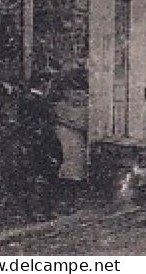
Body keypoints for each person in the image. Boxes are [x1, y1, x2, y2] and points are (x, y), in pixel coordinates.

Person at [17, 71, 63, 221]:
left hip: (27, 142)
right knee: (45, 177)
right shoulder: (39, 102)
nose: (50, 87)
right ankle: (44, 211)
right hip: (40, 143)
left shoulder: (24, 99)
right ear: (44, 83)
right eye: (49, 83)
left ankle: (31, 212)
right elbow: (45, 124)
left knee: (31, 178)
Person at [51, 67, 89, 215]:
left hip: (72, 141)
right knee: (68, 171)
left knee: (71, 171)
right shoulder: (63, 107)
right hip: (68, 140)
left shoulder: (60, 107)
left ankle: (68, 202)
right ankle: (67, 202)